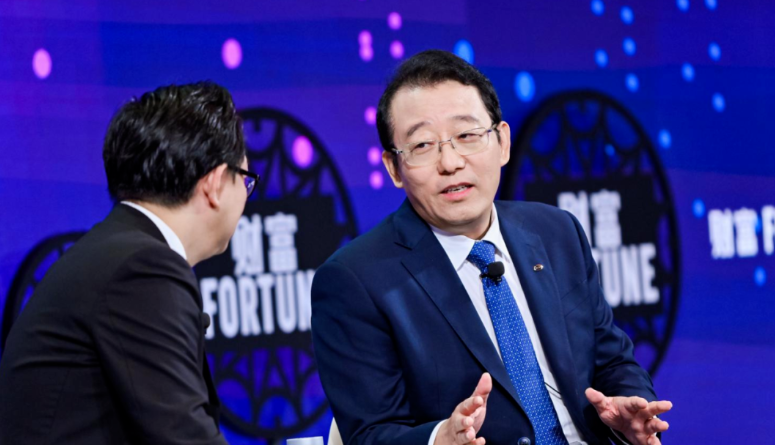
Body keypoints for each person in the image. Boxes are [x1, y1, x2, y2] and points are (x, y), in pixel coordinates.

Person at [311, 50, 672, 445]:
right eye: (423, 145)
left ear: (502, 142)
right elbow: (369, 434)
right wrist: (440, 439)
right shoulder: (355, 281)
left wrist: (629, 410)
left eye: (467, 136)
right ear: (394, 168)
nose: (450, 162)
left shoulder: (556, 232)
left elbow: (612, 361)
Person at [0, 82, 258, 444]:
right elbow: (184, 436)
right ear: (214, 184)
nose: (245, 198)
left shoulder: (118, 251)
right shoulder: (143, 268)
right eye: (245, 181)